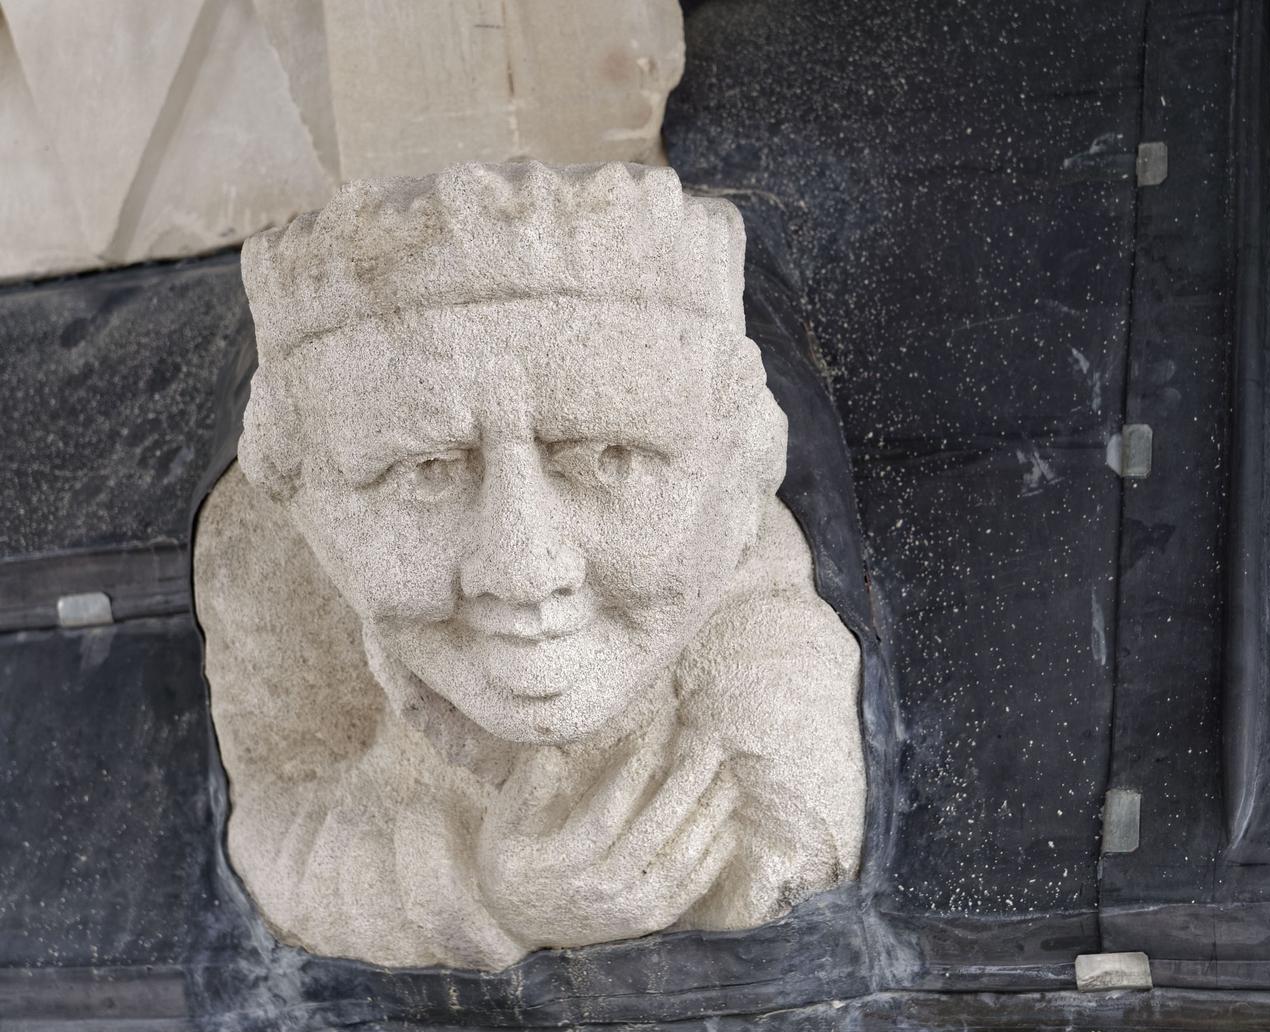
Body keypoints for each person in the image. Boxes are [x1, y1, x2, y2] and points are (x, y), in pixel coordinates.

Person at [196, 161, 864, 970]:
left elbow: (770, 862)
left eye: (609, 459)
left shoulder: (763, 657)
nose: (522, 567)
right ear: (300, 500)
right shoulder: (266, 563)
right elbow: (274, 820)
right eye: (426, 472)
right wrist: (483, 893)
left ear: (735, 473)